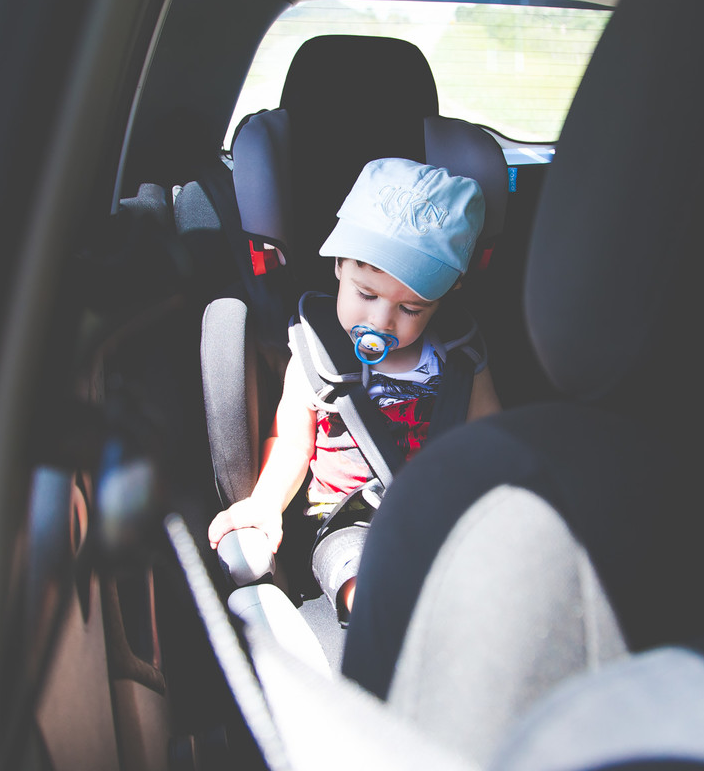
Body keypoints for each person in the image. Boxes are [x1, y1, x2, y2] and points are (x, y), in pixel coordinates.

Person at [208, 157, 501, 618]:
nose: (381, 322)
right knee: (357, 572)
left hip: (437, 511)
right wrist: (265, 504)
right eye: (367, 295)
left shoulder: (459, 355)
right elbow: (290, 441)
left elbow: (488, 441)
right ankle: (385, 620)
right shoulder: (316, 352)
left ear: (446, 296)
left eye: (412, 309)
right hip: (347, 518)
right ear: (340, 265)